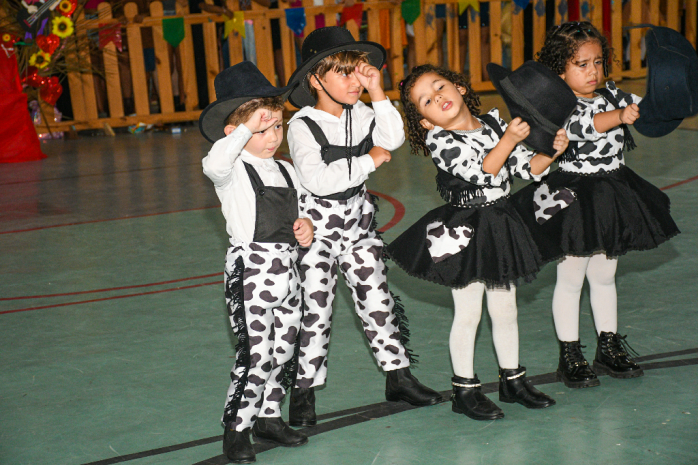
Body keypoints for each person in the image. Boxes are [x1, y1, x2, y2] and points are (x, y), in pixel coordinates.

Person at [388, 64, 568, 420]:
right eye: (426, 100)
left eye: (439, 86)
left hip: (500, 223)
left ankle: (512, 381)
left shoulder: (494, 125)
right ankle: (465, 390)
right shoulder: (441, 141)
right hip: (464, 231)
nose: (437, 96)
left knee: (505, 309)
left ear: (459, 86)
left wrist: (551, 152)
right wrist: (509, 140)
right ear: (425, 122)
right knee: (468, 312)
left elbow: (524, 168)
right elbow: (483, 171)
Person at [284, 26, 443, 427]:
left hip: (358, 226)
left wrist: (377, 91)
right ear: (316, 80)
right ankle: (303, 391)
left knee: (379, 303)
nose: (354, 81)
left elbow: (393, 138)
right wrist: (369, 160)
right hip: (316, 233)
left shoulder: (363, 112)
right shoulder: (303, 125)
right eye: (344, 73)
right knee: (315, 311)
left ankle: (398, 376)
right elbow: (319, 180)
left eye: (358, 71)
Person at [512, 22, 679, 389]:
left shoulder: (613, 95)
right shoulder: (559, 107)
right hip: (574, 197)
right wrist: (620, 116)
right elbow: (586, 126)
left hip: (611, 193)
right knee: (571, 278)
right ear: (560, 71)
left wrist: (671, 92)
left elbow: (650, 109)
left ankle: (609, 345)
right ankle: (570, 354)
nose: (593, 71)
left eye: (598, 62)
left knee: (604, 275)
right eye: (582, 64)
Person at [199, 61, 313, 464]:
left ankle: (269, 416)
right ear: (234, 132)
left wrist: (306, 227)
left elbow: (301, 213)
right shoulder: (230, 170)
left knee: (284, 349)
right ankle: (237, 428)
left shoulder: (286, 170)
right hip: (251, 272)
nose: (273, 137)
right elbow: (212, 163)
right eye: (262, 130)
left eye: (277, 126)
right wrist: (247, 129)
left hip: (288, 272)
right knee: (255, 354)